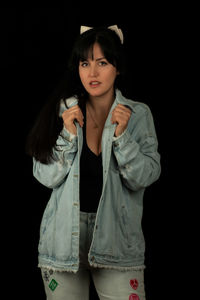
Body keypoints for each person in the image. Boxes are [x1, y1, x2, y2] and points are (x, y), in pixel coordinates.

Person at [26, 25, 161, 300]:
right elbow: (44, 175)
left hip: (118, 243)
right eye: (85, 63)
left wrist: (122, 138)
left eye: (102, 62)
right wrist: (66, 136)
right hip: (63, 244)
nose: (92, 73)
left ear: (118, 67)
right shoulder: (64, 110)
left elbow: (146, 176)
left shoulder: (138, 115)